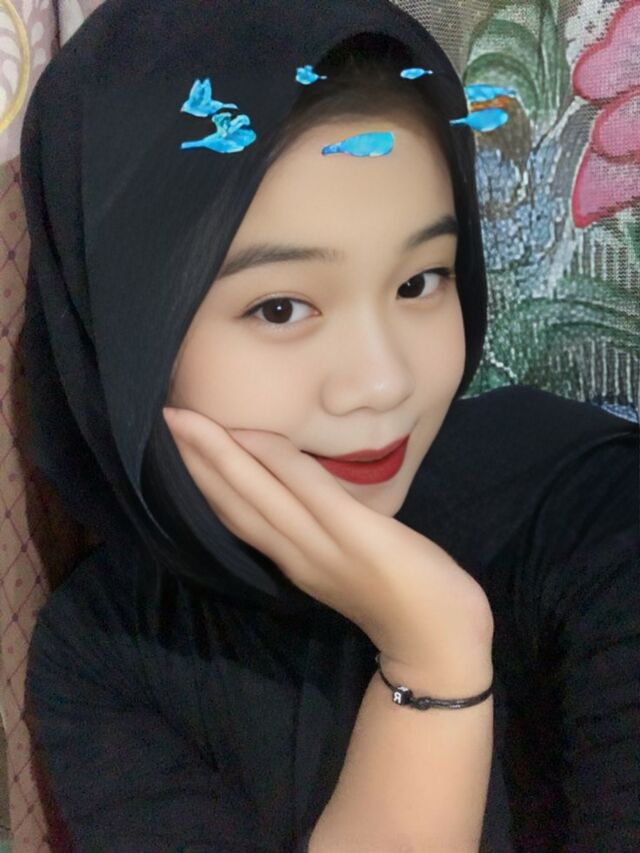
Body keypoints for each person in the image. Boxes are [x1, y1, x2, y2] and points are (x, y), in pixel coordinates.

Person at [18, 1, 638, 851]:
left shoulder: (595, 515)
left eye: (420, 281)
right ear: (125, 340)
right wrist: (434, 661)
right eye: (280, 306)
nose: (383, 383)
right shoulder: (107, 649)